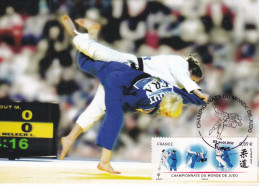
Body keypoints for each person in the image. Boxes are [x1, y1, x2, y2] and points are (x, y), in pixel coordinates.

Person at [60, 15, 207, 174]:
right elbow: (186, 83)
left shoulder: (172, 88)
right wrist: (198, 91)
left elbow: (188, 96)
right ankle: (79, 35)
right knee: (92, 52)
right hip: (127, 66)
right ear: (190, 71)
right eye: (193, 80)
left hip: (128, 76)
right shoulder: (181, 66)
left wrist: (203, 99)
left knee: (89, 78)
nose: (189, 84)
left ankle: (69, 138)